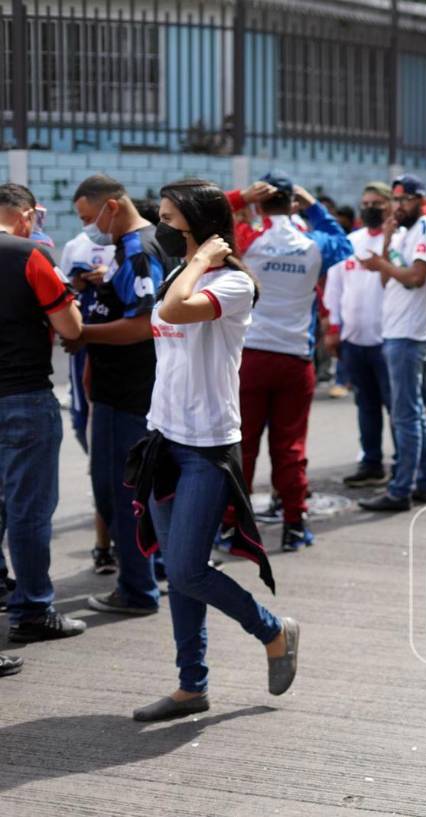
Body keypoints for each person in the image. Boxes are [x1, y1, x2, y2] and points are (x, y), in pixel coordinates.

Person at [129, 178, 297, 721]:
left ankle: (273, 631)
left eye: (170, 217)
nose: (161, 225)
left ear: (199, 227)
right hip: (164, 437)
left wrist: (202, 258)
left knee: (186, 570)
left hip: (206, 445)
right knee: (182, 569)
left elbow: (176, 312)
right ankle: (191, 685)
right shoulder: (184, 271)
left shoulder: (230, 286)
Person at [224, 172, 353, 549]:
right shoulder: (313, 243)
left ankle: (235, 529)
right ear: (292, 202)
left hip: (251, 356)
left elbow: (207, 221)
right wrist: (312, 206)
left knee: (242, 445)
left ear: (259, 202)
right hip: (296, 360)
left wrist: (239, 198)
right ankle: (295, 525)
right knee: (291, 448)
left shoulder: (247, 238)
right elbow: (344, 244)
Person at [68, 176, 169, 617]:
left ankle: (137, 588)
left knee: (117, 492)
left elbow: (142, 324)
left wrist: (80, 333)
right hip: (120, 389)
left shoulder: (138, 250)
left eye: (90, 218)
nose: (90, 228)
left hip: (129, 394)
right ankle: (147, 573)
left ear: (112, 205)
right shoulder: (131, 246)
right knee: (129, 491)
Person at [0, 183, 86, 655]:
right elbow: (70, 326)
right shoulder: (29, 255)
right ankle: (33, 611)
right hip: (23, 397)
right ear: (27, 215)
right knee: (28, 513)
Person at [359, 175, 426, 512]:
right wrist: (388, 241)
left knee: (405, 416)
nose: (398, 206)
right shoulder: (406, 232)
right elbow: (385, 277)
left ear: (420, 200)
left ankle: (400, 489)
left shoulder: (425, 229)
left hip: (409, 333)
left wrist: (381, 262)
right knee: (414, 412)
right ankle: (425, 482)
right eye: (395, 200)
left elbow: (415, 278)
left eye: (405, 200)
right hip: (398, 331)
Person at [323, 182, 397, 487]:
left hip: (389, 339)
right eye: (365, 203)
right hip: (354, 341)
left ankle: (405, 465)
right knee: (366, 406)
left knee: (397, 408)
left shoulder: (400, 243)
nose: (369, 208)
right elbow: (335, 287)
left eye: (377, 203)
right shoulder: (350, 241)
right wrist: (334, 329)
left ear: (390, 206)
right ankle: (371, 462)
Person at [56, 223, 117, 574]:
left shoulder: (132, 247)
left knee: (116, 454)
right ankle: (104, 544)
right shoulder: (75, 245)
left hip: (121, 353)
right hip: (87, 351)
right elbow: (65, 295)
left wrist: (108, 278)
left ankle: (118, 543)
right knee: (95, 445)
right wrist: (80, 283)